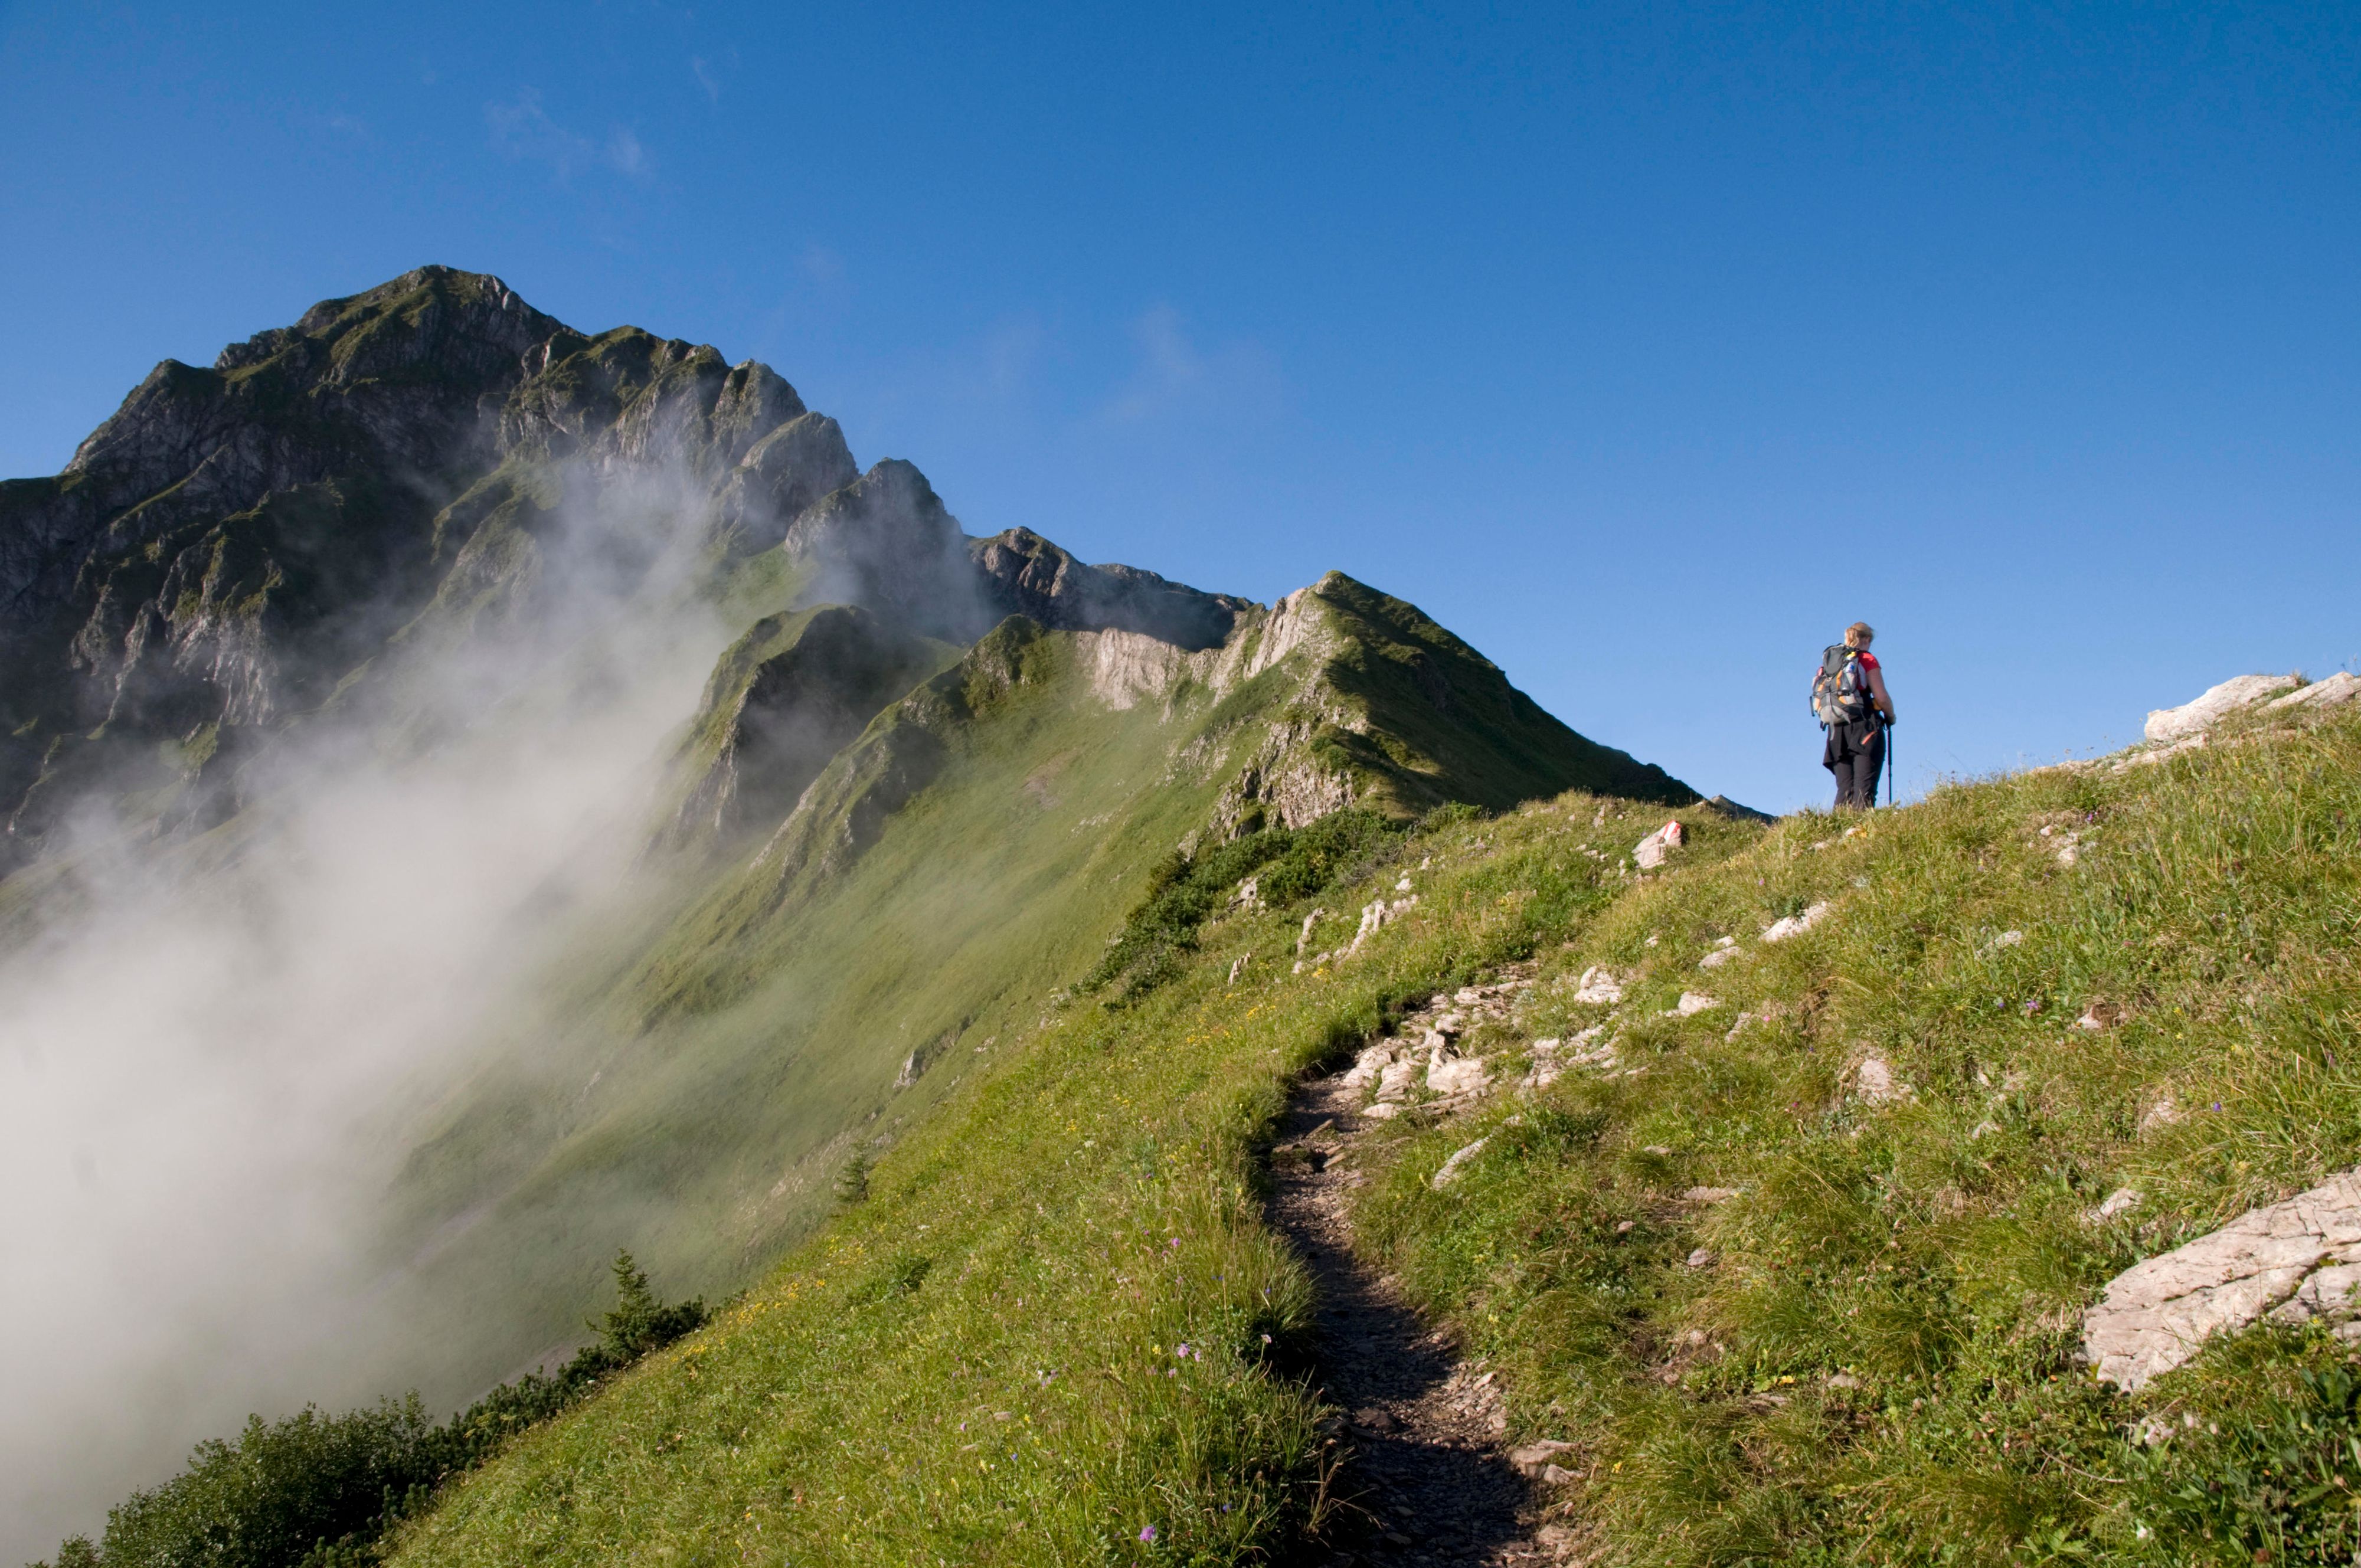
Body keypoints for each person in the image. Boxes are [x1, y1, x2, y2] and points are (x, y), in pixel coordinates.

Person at [1820, 621, 1895, 810]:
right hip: (1864, 726)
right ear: (1867, 639)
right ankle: (1861, 834)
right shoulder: (1867, 659)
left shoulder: (1831, 662)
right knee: (1864, 788)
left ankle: (1838, 833)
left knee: (1844, 789)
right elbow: (1882, 697)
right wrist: (1891, 716)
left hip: (1835, 729)